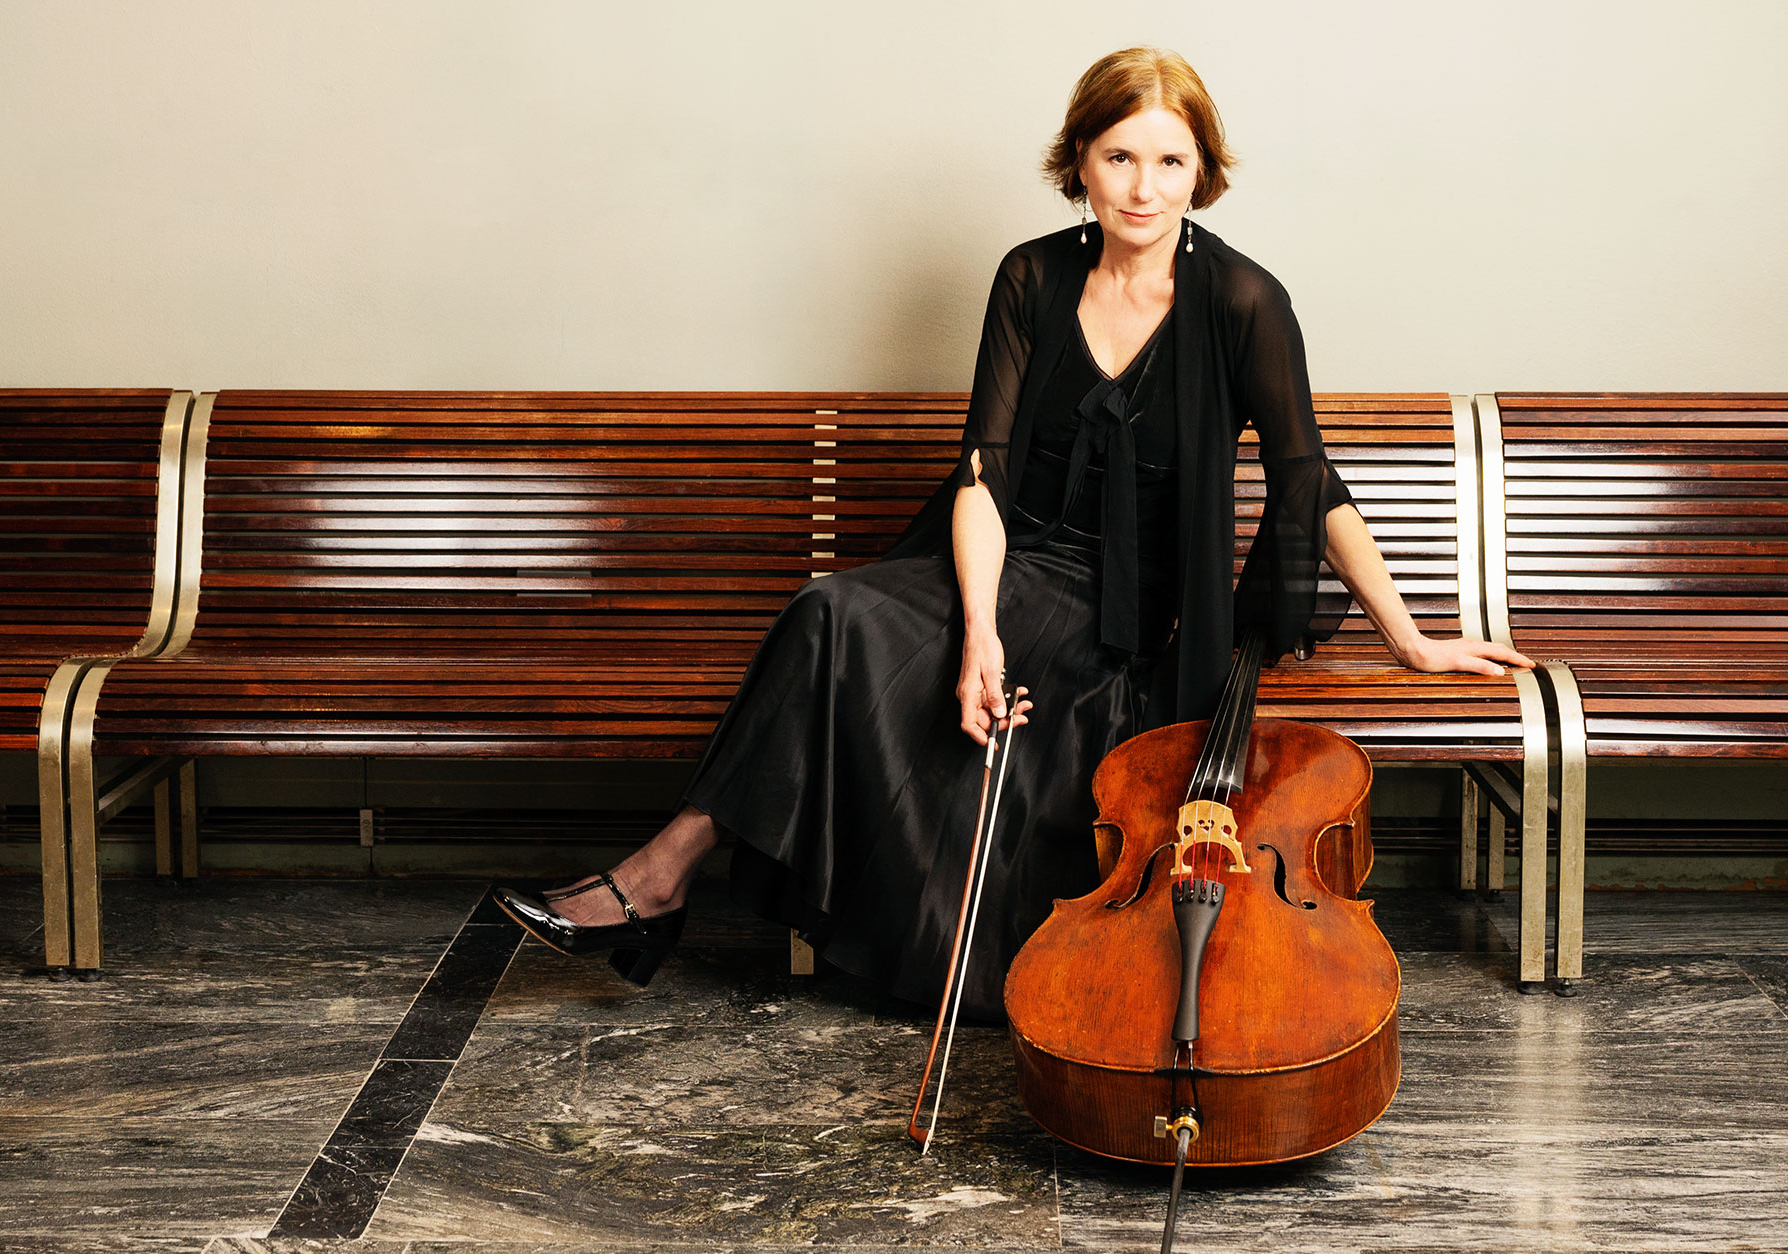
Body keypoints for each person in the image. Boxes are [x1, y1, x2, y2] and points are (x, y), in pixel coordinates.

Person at [495, 47, 1534, 1017]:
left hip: (1136, 615)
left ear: (1202, 173)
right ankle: (663, 875)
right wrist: (981, 633)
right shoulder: (1032, 278)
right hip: (1006, 563)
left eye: (1170, 161)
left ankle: (659, 884)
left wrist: (1411, 637)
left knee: (916, 670)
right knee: (830, 612)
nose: (1143, 187)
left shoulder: (1245, 299)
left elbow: (1309, 481)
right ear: (1078, 161)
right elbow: (982, 474)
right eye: (1119, 157)